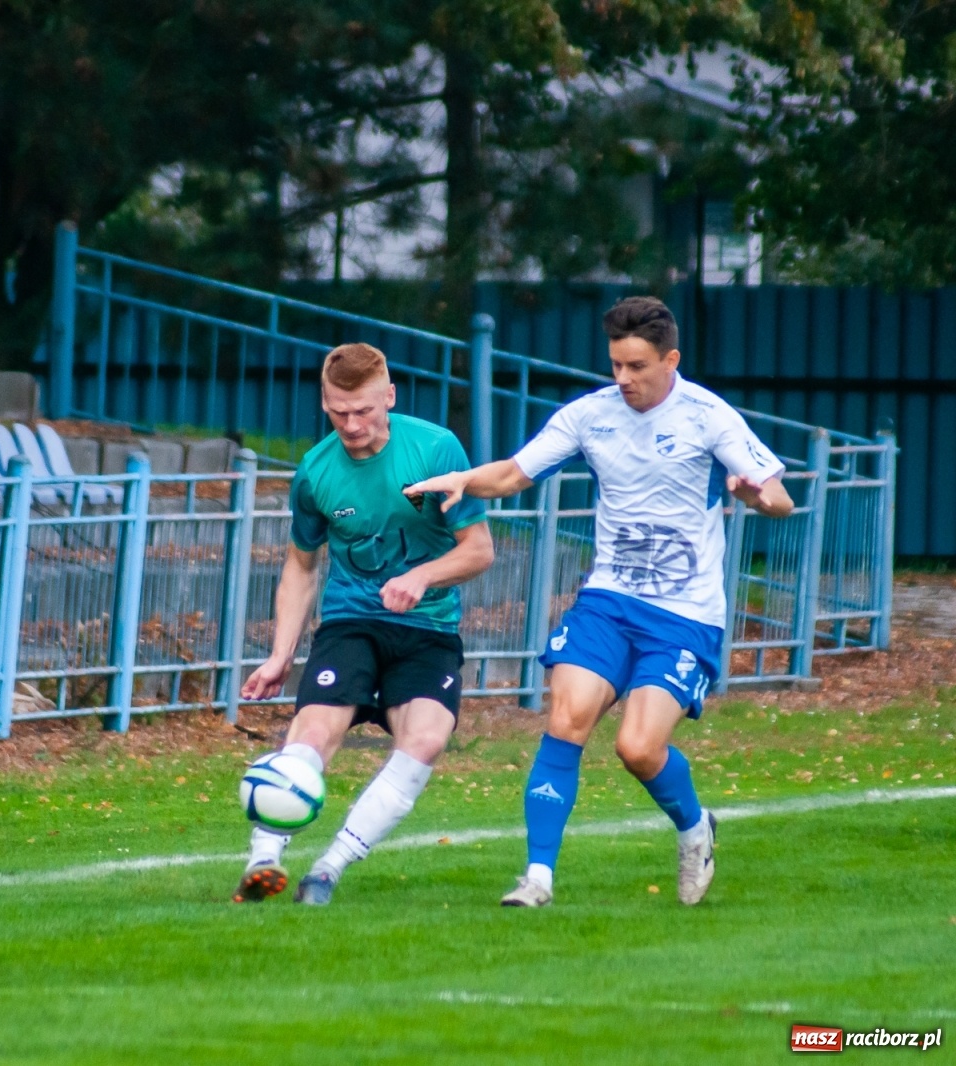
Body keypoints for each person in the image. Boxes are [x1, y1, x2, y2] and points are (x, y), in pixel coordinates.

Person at [406, 296, 794, 908]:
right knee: (566, 721)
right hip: (608, 600)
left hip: (684, 616)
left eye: (637, 366)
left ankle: (696, 829)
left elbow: (779, 497)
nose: (623, 379)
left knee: (638, 748)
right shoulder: (591, 415)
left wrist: (753, 496)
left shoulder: (708, 415)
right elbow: (513, 474)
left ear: (671, 360)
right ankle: (537, 878)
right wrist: (464, 480)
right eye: (615, 364)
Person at [235, 342, 495, 906]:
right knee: (311, 735)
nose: (351, 424)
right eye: (337, 411)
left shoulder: (434, 449)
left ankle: (328, 869)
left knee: (425, 739)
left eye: (363, 410)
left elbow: (478, 551)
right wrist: (280, 654)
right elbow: (301, 565)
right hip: (351, 623)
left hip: (427, 629)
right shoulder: (316, 471)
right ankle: (263, 859)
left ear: (389, 398)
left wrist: (423, 577)